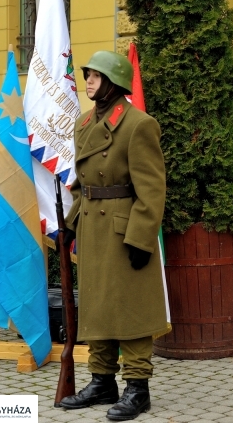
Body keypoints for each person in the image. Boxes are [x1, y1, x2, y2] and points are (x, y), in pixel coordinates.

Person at [58, 51, 167, 420]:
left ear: (114, 83)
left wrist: (140, 237)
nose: (87, 81)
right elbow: (82, 183)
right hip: (92, 225)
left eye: (95, 76)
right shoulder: (84, 123)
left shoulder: (139, 125)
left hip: (123, 229)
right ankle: (102, 380)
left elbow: (151, 189)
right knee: (97, 303)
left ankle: (138, 387)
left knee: (130, 307)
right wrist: (70, 223)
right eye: (87, 75)